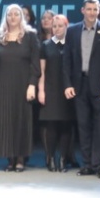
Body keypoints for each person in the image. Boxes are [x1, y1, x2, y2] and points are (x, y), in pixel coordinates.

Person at [63, 0, 100, 178]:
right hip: (79, 85)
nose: (92, 12)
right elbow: (67, 60)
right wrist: (67, 84)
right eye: (89, 9)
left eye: (95, 9)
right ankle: (87, 164)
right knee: (83, 126)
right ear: (83, 10)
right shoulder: (72, 31)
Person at [0, 3, 41, 172]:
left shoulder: (30, 36)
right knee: (6, 122)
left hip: (23, 84)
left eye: (16, 14)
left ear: (22, 16)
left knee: (21, 120)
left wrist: (32, 85)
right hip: (3, 85)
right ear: (5, 17)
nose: (13, 17)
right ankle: (10, 159)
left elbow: (35, 64)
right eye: (9, 14)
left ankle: (20, 159)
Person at [37, 12, 77, 172]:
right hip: (50, 89)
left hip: (67, 90)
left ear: (67, 27)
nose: (57, 29)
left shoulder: (72, 45)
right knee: (51, 125)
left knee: (66, 125)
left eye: (60, 26)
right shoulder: (46, 45)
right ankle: (51, 158)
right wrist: (41, 91)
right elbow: (42, 71)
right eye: (54, 26)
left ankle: (63, 159)